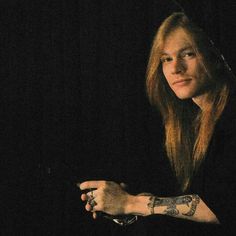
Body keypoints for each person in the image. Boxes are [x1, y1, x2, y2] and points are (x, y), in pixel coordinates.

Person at [78, 12, 236, 234]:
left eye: (188, 54)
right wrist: (125, 204)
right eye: (166, 59)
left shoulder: (230, 116)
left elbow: (223, 206)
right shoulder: (189, 122)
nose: (175, 68)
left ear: (215, 57)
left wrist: (130, 203)